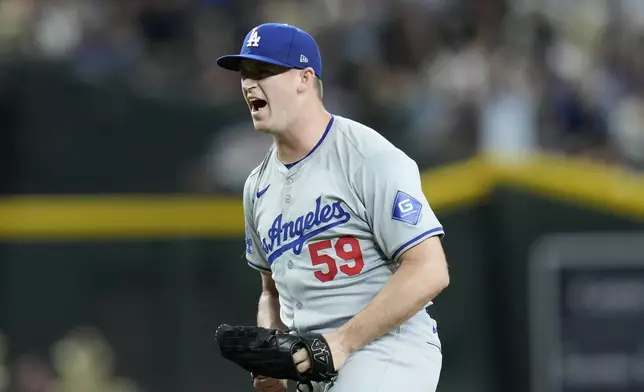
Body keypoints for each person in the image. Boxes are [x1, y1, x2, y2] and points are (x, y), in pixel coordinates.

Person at [216, 23, 450, 392]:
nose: (248, 84)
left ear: (305, 79)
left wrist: (341, 342)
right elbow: (270, 291)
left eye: (263, 71)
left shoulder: (367, 156)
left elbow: (430, 269)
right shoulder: (257, 187)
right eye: (245, 74)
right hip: (316, 366)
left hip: (388, 351)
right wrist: (271, 358)